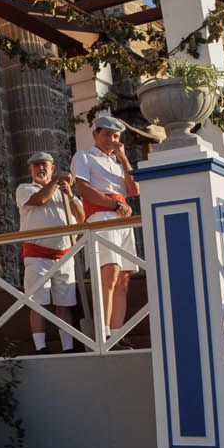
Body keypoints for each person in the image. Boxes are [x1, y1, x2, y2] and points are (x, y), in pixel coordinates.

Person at [71, 116, 141, 336]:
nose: (112, 139)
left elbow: (134, 190)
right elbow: (83, 188)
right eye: (107, 134)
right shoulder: (84, 156)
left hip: (122, 217)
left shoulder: (119, 163)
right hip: (102, 215)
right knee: (109, 272)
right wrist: (114, 204)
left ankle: (117, 332)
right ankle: (102, 333)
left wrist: (124, 158)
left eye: (116, 136)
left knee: (123, 277)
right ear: (95, 134)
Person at [15, 151, 82, 351]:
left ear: (52, 168)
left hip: (64, 255)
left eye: (44, 165)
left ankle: (67, 347)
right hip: (37, 256)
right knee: (38, 303)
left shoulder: (64, 192)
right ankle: (40, 347)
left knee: (65, 303)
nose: (40, 168)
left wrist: (70, 194)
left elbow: (81, 217)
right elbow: (39, 200)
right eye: (36, 165)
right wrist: (55, 183)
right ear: (30, 169)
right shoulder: (25, 189)